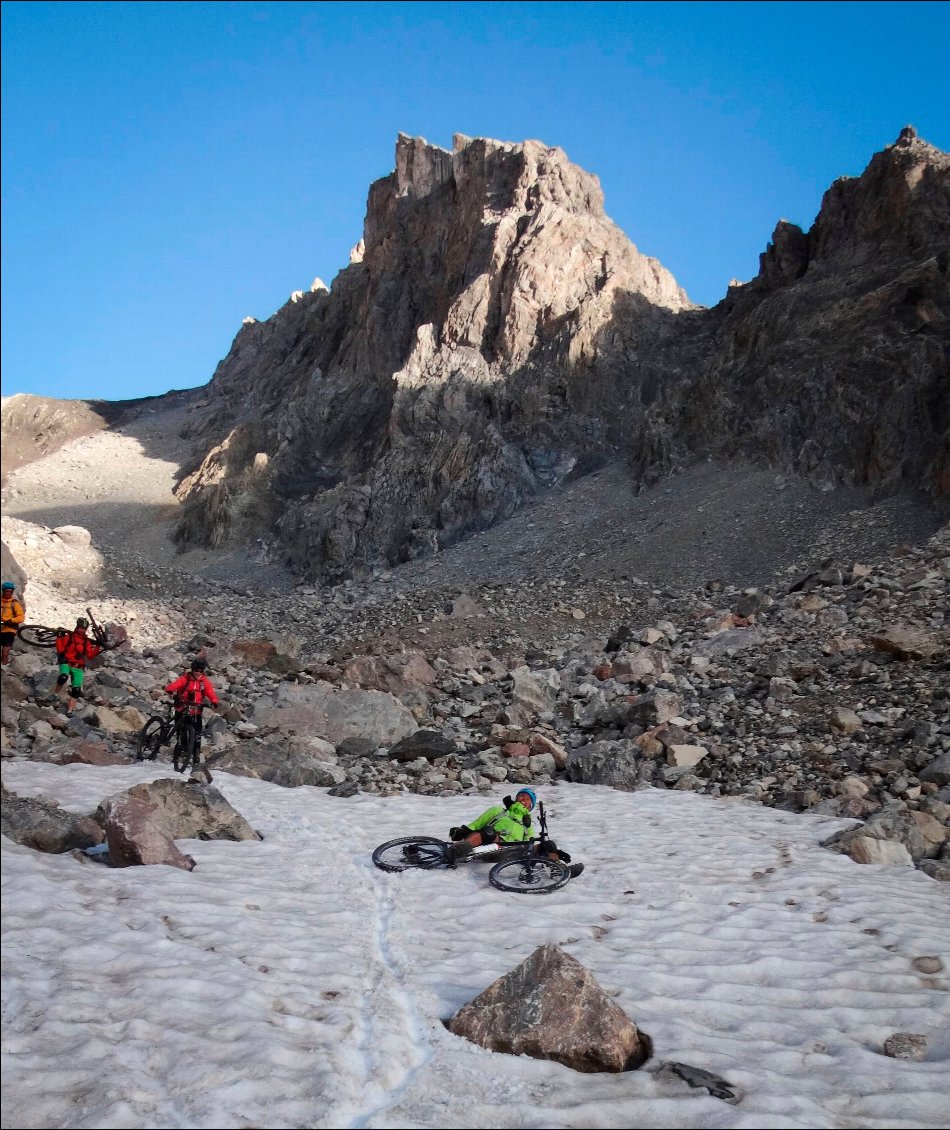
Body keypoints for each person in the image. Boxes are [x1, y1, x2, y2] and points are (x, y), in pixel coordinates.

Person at [448, 788, 584, 877]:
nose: (523, 798)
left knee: (546, 843)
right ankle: (459, 849)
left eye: (527, 798)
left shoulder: (527, 824)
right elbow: (476, 824)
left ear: (531, 806)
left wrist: (551, 850)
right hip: (492, 847)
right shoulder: (498, 811)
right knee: (489, 831)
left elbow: (530, 843)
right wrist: (462, 832)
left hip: (513, 853)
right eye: (521, 796)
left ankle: (558, 869)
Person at [164, 656, 219, 764]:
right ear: (192, 669)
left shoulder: (204, 682)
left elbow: (210, 692)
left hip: (196, 710)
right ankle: (178, 753)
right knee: (180, 732)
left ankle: (196, 755)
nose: (198, 672)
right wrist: (170, 690)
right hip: (182, 708)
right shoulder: (185, 678)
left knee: (197, 734)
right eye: (196, 670)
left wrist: (214, 701)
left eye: (201, 670)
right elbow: (174, 685)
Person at [54, 616, 102, 716]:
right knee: (63, 677)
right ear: (77, 627)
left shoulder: (86, 641)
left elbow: (89, 655)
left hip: (78, 667)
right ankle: (54, 695)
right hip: (67, 663)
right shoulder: (69, 637)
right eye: (81, 628)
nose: (82, 630)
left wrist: (97, 646)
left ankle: (70, 710)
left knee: (76, 690)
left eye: (84, 629)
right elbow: (60, 649)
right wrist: (59, 638)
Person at [1, 581, 25, 666]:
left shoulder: (15, 603)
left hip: (10, 628)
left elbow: (21, 617)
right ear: (3, 591)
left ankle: (3, 664)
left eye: (10, 591)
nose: (9, 593)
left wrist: (11, 620)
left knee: (6, 646)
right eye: (7, 591)